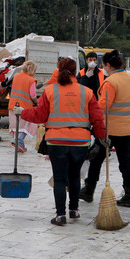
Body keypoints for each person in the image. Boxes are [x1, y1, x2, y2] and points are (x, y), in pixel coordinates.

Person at [17, 57, 106, 226]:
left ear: (58, 70)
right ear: (75, 72)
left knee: (59, 179)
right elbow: (97, 119)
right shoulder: (87, 92)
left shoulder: (50, 91)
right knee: (74, 176)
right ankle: (74, 210)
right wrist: (102, 137)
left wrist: (22, 112)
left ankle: (60, 215)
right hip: (80, 143)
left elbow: (39, 115)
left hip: (56, 142)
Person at [81, 51, 130, 207]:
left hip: (110, 129)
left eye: (103, 65)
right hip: (127, 128)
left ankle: (89, 189)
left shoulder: (111, 82)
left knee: (96, 159)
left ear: (108, 65)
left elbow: (103, 105)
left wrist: (88, 110)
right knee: (125, 162)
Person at [9, 61, 38, 152]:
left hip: (13, 105)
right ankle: (19, 140)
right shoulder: (31, 80)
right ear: (32, 70)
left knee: (17, 125)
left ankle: (20, 145)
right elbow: (32, 95)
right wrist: (36, 102)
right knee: (30, 124)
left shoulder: (16, 76)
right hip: (24, 107)